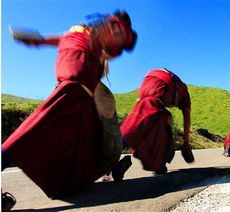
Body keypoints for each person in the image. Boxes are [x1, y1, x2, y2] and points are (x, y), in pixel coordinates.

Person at [2, 10, 137, 204]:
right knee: (35, 131)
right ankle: (108, 167)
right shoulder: (99, 32)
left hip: (80, 90)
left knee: (82, 138)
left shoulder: (82, 33)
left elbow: (63, 39)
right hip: (76, 87)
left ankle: (83, 177)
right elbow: (103, 47)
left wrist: (39, 40)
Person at [120, 69, 194, 175]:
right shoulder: (184, 94)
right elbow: (186, 116)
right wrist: (186, 142)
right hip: (164, 84)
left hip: (147, 80)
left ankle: (121, 144)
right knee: (163, 124)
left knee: (142, 119)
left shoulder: (179, 88)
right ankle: (158, 162)